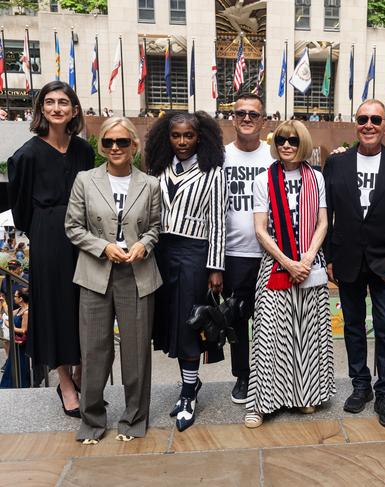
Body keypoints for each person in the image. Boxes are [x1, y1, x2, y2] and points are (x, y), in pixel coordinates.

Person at [324, 99, 385, 427]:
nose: (368, 124)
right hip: (348, 261)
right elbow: (325, 215)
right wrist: (328, 257)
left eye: (375, 119)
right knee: (352, 327)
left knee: (384, 328)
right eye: (362, 118)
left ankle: (384, 393)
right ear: (356, 123)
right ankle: (361, 385)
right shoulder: (336, 164)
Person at [65, 117, 162, 444]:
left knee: (136, 353)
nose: (116, 148)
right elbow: (73, 227)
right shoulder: (85, 180)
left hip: (137, 275)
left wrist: (142, 245)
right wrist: (103, 247)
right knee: (94, 351)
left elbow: (155, 228)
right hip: (95, 273)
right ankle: (92, 422)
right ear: (101, 146)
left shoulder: (149, 184)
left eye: (122, 142)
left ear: (134, 145)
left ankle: (134, 420)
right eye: (109, 142)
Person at [8, 80, 94, 416]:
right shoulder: (27, 155)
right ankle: (66, 382)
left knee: (85, 303)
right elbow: (21, 210)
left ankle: (82, 370)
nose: (57, 108)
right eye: (50, 102)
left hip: (85, 235)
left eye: (64, 102)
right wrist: (47, 231)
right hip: (48, 237)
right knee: (55, 306)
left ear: (74, 110)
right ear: (41, 109)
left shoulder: (85, 151)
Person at [243, 120, 335, 428]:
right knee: (269, 335)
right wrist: (287, 261)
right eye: (281, 139)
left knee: (307, 331)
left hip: (310, 262)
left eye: (293, 140)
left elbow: (323, 222)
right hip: (276, 264)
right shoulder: (263, 180)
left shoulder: (316, 179)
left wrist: (307, 258)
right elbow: (260, 229)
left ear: (303, 143)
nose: (286, 145)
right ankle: (262, 403)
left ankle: (304, 394)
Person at [147, 111, 226, 432]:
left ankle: (189, 393)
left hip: (194, 255)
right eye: (176, 135)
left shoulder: (214, 173)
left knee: (190, 324)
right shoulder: (158, 170)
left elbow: (219, 223)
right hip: (161, 253)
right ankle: (188, 386)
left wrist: (216, 268)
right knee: (171, 325)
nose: (182, 141)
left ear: (200, 137)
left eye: (188, 135)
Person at [222, 94, 274, 403]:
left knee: (270, 319)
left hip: (270, 254)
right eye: (240, 113)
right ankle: (243, 376)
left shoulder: (274, 156)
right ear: (232, 118)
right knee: (238, 319)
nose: (246, 118)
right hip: (234, 254)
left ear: (263, 120)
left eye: (253, 114)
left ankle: (269, 376)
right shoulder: (219, 157)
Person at [0, 288, 30, 388]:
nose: (14, 298)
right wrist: (3, 302)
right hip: (16, 343)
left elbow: (23, 330)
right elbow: (9, 313)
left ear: (21, 298)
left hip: (21, 345)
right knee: (12, 365)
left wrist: (10, 326)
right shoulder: (20, 309)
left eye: (15, 296)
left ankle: (19, 385)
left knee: (20, 365)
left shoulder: (26, 312)